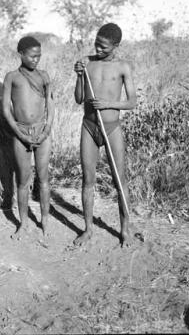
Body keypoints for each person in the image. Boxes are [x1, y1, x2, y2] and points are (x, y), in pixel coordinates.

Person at [73, 23, 137, 248]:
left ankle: (125, 230)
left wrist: (108, 103)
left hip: (112, 128)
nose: (98, 49)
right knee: (87, 180)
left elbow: (132, 102)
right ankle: (88, 229)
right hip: (89, 128)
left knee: (120, 181)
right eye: (96, 44)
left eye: (103, 47)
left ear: (116, 46)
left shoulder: (123, 67)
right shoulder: (87, 63)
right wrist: (80, 76)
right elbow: (79, 98)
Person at [2, 36, 55, 240]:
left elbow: (50, 104)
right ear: (21, 54)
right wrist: (18, 131)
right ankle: (23, 224)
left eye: (39, 56)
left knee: (43, 179)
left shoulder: (43, 76)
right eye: (32, 56)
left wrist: (47, 129)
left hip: (42, 131)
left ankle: (45, 222)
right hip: (21, 132)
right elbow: (6, 109)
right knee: (23, 181)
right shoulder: (12, 77)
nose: (36, 60)